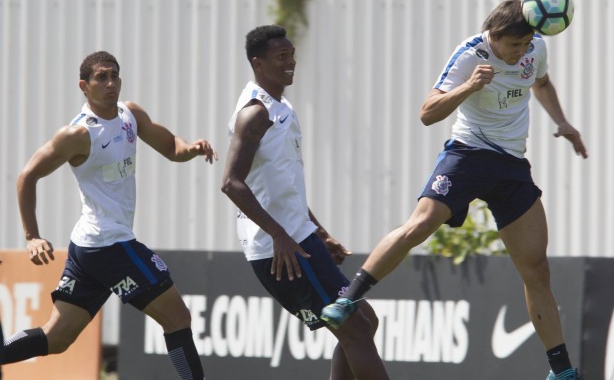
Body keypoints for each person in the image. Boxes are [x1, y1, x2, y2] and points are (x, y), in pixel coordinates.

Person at [320, 0, 586, 380]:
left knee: (536, 269)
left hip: (511, 166)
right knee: (420, 225)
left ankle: (561, 372)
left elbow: (540, 82)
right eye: (514, 46)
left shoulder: (535, 48)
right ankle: (348, 300)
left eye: (527, 44)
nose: (521, 53)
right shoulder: (468, 55)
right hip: (468, 156)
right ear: (492, 37)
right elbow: (427, 113)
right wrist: (469, 86)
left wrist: (562, 121)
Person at [1, 51, 217, 380]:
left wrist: (191, 148)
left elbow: (171, 146)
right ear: (83, 86)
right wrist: (32, 236)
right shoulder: (77, 135)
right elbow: (26, 177)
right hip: (109, 244)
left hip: (90, 247)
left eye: (114, 75)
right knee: (178, 318)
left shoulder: (130, 115)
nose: (110, 82)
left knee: (57, 338)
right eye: (101, 77)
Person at [221, 25, 389, 380]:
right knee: (355, 330)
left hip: (299, 237)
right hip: (280, 250)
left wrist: (321, 233)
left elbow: (285, 187)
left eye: (292, 54)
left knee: (363, 321)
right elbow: (231, 184)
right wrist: (281, 236)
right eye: (282, 56)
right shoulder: (255, 113)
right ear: (258, 62)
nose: (291, 62)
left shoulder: (282, 107)